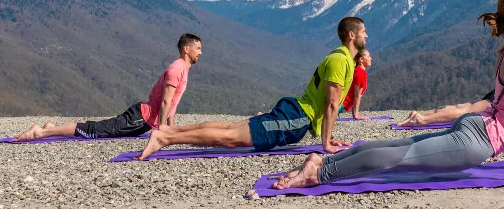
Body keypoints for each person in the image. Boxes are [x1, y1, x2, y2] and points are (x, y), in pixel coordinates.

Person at [270, 0, 504, 190]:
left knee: (399, 146)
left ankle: (322, 161)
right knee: (399, 158)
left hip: (478, 125)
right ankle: (319, 174)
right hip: (479, 140)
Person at [135, 18, 366, 159]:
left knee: (229, 128)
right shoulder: (341, 60)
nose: (366, 35)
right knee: (229, 137)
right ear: (352, 35)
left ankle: (166, 133)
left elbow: (327, 102)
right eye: (363, 31)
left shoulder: (341, 57)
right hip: (296, 117)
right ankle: (164, 139)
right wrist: (325, 143)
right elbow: (332, 103)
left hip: (294, 113)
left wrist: (328, 136)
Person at [13, 34, 202, 141]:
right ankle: (40, 132)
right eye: (198, 48)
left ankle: (52, 127)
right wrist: (162, 131)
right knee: (94, 130)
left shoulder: (183, 70)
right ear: (187, 49)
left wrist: (172, 131)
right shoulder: (176, 69)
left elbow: (172, 106)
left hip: (142, 120)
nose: (200, 52)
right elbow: (165, 101)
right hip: (140, 118)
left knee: (101, 127)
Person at [340, 49, 373, 120]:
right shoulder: (360, 73)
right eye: (368, 56)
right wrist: (356, 116)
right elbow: (357, 96)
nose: (371, 58)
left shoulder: (357, 70)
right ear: (361, 59)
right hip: (340, 104)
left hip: (339, 103)